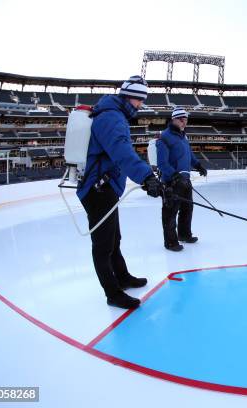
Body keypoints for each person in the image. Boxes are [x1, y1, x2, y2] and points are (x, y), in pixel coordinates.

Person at [77, 75, 162, 309]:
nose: (141, 106)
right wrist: (146, 176)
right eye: (140, 101)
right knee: (103, 244)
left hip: (105, 187)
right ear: (131, 97)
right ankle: (112, 293)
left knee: (114, 239)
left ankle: (122, 277)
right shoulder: (111, 117)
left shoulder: (113, 114)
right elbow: (122, 152)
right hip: (97, 189)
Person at [157, 107, 208, 252]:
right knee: (170, 211)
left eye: (186, 119)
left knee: (187, 208)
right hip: (171, 181)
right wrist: (173, 175)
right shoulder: (164, 137)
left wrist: (198, 165)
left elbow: (189, 155)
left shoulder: (183, 137)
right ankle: (170, 242)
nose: (184, 122)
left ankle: (184, 234)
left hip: (185, 179)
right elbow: (162, 163)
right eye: (181, 119)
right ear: (173, 119)